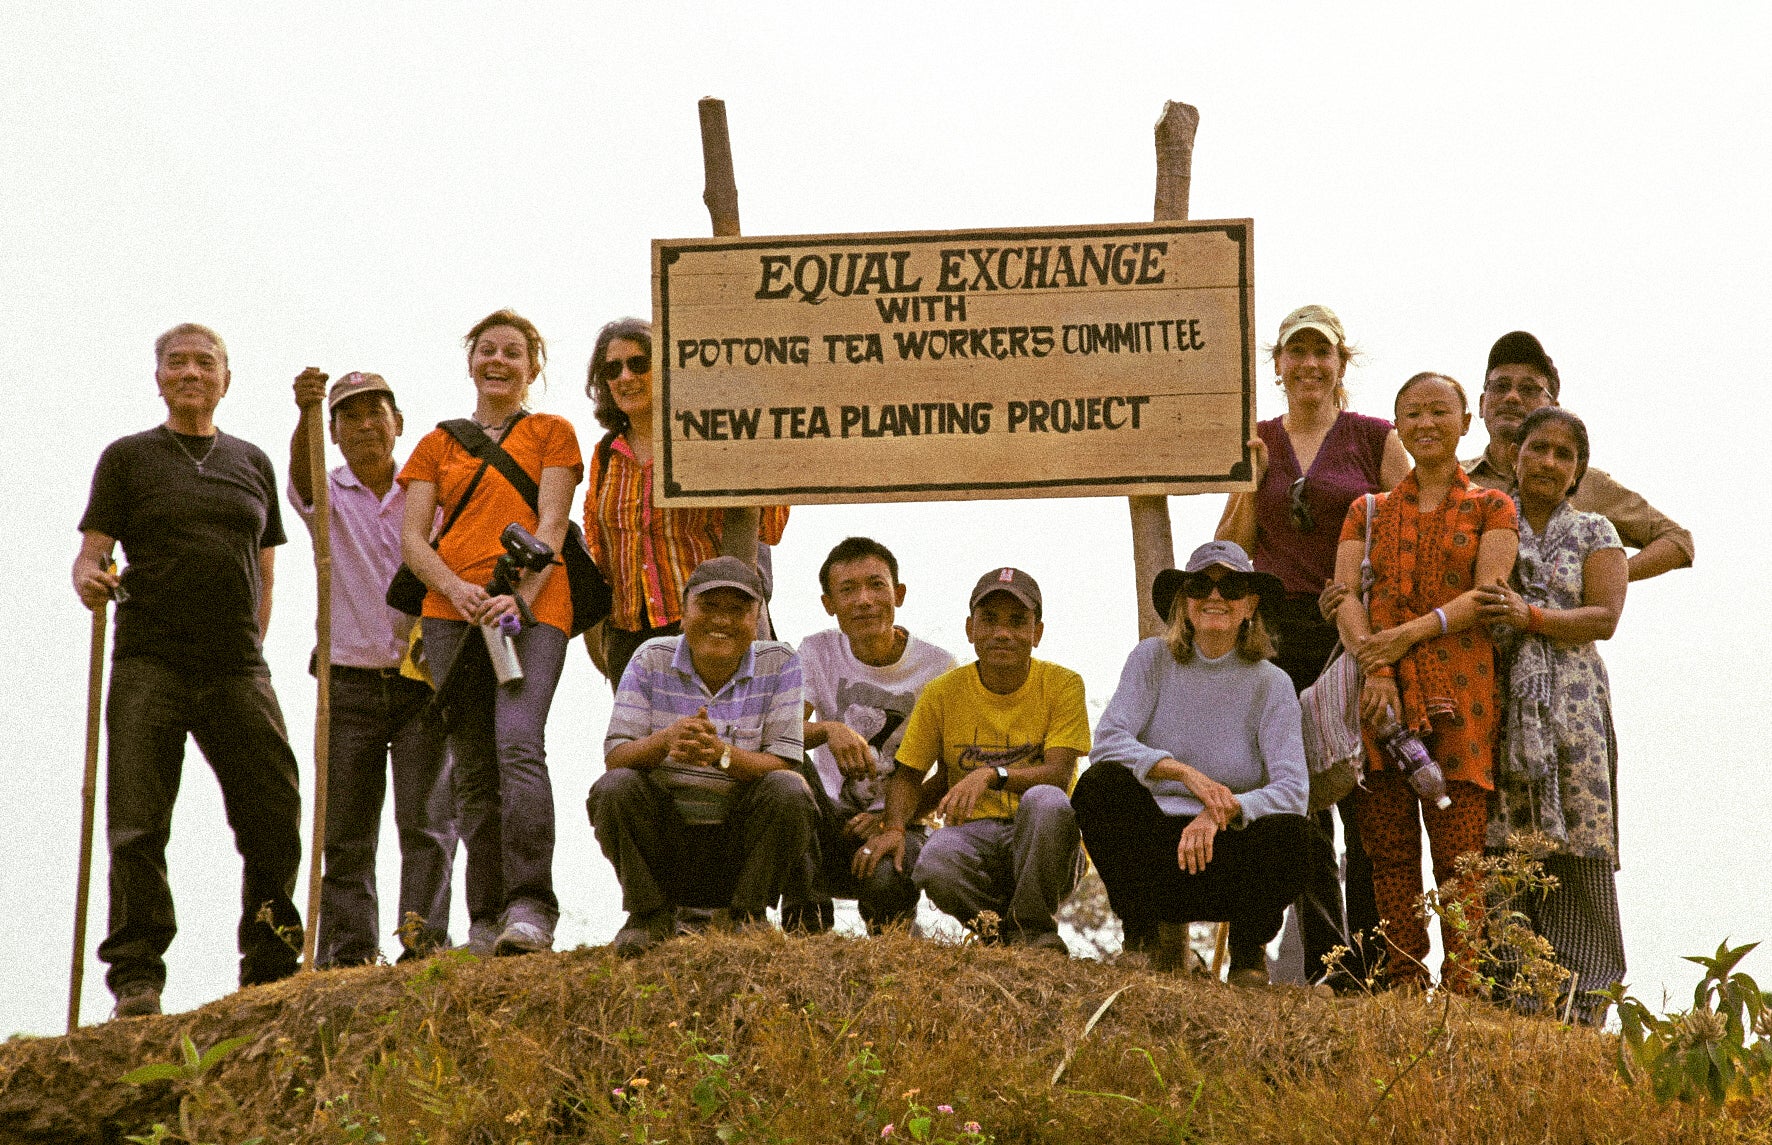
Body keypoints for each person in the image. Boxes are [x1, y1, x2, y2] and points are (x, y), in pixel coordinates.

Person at [72, 323, 304, 1018]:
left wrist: (251, 645)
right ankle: (137, 975)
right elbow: (91, 554)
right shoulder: (128, 459)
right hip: (150, 658)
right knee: (138, 820)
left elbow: (266, 570)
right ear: (159, 377)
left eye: (205, 362)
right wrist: (90, 578)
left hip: (236, 664)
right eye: (177, 362)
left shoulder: (252, 462)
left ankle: (269, 961)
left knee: (273, 811)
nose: (191, 372)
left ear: (226, 378)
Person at [1216, 303, 1408, 987]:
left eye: (1321, 353)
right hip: (1274, 633)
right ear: (1276, 365)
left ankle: (1376, 960)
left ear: (1340, 363)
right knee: (1291, 796)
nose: (1309, 365)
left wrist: (1382, 631)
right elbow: (1229, 549)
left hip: (1350, 627)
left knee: (1361, 791)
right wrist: (1249, 477)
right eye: (1296, 353)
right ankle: (1323, 960)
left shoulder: (1372, 438)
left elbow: (1410, 523)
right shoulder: (1259, 438)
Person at [398, 309, 583, 957]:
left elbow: (554, 521)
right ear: (470, 359)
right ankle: (486, 914)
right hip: (453, 613)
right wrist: (457, 590)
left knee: (518, 744)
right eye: (487, 350)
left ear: (533, 367)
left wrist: (518, 599)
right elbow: (414, 539)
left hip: (532, 609)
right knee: (472, 766)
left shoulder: (553, 432)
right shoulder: (437, 443)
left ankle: (532, 904)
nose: (498, 361)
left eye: (513, 352)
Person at [1331, 372, 1518, 991]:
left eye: (1441, 411)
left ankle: (1465, 986)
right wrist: (1377, 664)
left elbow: (1489, 594)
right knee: (1388, 851)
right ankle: (1404, 978)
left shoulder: (1493, 504)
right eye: (1413, 413)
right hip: (1380, 695)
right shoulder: (1368, 510)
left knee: (1460, 855)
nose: (1427, 423)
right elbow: (1344, 599)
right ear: (1398, 426)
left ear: (1467, 422)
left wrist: (1405, 636)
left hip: (1461, 697)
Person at [1073, 541, 1312, 986]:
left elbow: (1293, 789)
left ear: (1250, 605)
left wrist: (1220, 810)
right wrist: (1185, 774)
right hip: (1156, 854)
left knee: (1296, 836)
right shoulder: (1151, 659)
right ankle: (1140, 940)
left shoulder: (1272, 683)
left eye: (1232, 587)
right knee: (1099, 785)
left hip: (1231, 859)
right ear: (1185, 601)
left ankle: (1247, 956)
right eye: (1201, 585)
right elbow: (1106, 742)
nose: (1215, 597)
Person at [290, 369, 455, 965]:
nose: (364, 426)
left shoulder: (426, 492)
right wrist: (307, 413)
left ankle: (423, 943)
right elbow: (303, 479)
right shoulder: (327, 493)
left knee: (429, 823)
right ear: (333, 432)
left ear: (398, 423)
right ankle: (350, 955)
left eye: (374, 413)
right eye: (349, 417)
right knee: (347, 833)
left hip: (421, 678)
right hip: (349, 677)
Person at [1476, 408, 1629, 1025]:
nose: (1546, 462)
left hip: (1573, 708)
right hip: (1499, 698)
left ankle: (1584, 1001)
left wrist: (1529, 617)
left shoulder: (1596, 531)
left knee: (1580, 840)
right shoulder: (1489, 516)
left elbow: (1603, 619)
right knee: (1502, 839)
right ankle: (1509, 992)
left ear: (1577, 471)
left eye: (1562, 455)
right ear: (1515, 456)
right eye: (1536, 449)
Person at [588, 556, 816, 957]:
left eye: (737, 609)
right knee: (614, 788)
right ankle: (648, 915)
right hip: (668, 841)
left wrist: (722, 755)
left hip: (740, 842)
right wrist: (665, 742)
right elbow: (616, 755)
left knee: (789, 791)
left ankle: (748, 916)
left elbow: (785, 764)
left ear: (758, 617)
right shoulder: (649, 657)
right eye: (709, 606)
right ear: (683, 610)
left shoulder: (781, 662)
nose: (722, 620)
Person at [863, 568, 1089, 955]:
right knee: (934, 861)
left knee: (1047, 802)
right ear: (970, 628)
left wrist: (992, 775)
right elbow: (908, 773)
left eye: (1018, 622)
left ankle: (1034, 931)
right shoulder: (942, 692)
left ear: (1037, 632)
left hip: (1042, 840)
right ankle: (1003, 938)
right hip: (974, 835)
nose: (1003, 632)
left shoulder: (1063, 684)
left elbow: (1058, 774)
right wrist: (894, 827)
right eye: (990, 620)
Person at [582, 318, 789, 687]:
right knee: (639, 745)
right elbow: (602, 551)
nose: (625, 377)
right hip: (628, 636)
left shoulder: (701, 439)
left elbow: (768, 525)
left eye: (639, 363)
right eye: (612, 369)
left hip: (703, 628)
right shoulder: (605, 455)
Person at [787, 537, 957, 933]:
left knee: (888, 879)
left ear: (898, 594)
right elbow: (780, 732)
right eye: (848, 590)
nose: (864, 600)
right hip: (830, 818)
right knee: (786, 769)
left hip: (906, 823)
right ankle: (806, 928)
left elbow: (951, 773)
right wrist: (829, 730)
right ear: (829, 604)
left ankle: (895, 933)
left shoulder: (938, 666)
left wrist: (891, 819)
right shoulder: (816, 651)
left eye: (876, 585)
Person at [1464, 331, 1692, 582]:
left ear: (1554, 410)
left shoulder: (1583, 482)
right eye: (1501, 386)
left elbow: (1676, 541)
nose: (1512, 397)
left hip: (1558, 622)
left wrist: (1598, 582)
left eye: (1529, 389)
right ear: (1482, 403)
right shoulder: (1455, 479)